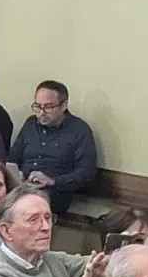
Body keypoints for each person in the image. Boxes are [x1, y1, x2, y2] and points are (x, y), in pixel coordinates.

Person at [9, 80, 97, 215]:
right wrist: (17, 173)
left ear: (63, 106)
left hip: (54, 192)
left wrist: (52, 181)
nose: (41, 113)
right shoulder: (31, 123)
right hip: (23, 186)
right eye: (37, 106)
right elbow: (14, 156)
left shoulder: (80, 130)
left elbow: (86, 173)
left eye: (48, 107)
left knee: (25, 207)